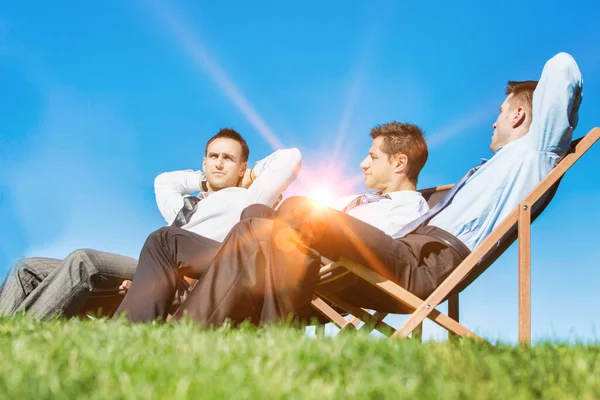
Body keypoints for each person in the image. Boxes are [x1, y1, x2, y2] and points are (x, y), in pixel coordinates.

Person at [172, 52, 583, 325]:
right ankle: (220, 329)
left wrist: (523, 94)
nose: (493, 122)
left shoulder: (537, 152)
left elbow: (563, 68)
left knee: (297, 210)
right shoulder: (499, 165)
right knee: (258, 219)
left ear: (519, 114)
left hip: (425, 262)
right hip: (409, 250)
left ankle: (224, 328)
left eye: (500, 112)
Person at [0, 128, 301, 319]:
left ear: (242, 166)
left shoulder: (246, 197)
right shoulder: (187, 206)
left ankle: (16, 337)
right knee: (26, 269)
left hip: (187, 277)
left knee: (83, 261)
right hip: (150, 265)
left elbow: (290, 158)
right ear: (204, 162)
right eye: (213, 157)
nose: (219, 163)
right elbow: (163, 182)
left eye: (228, 159)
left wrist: (248, 179)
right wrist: (200, 181)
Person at [168, 121, 431, 325]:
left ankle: (189, 319)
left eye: (373, 157)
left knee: (278, 217)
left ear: (399, 163)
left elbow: (376, 250)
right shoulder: (355, 200)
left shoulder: (409, 205)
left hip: (330, 269)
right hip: (293, 258)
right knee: (255, 215)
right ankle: (195, 314)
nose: (363, 164)